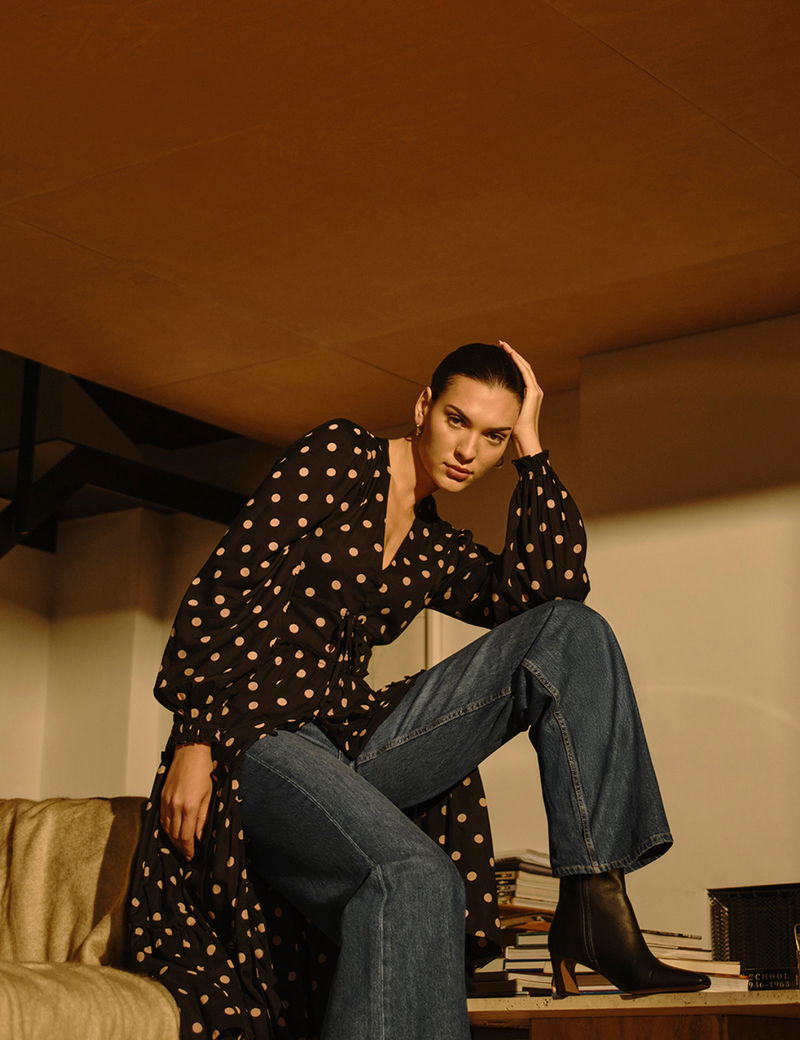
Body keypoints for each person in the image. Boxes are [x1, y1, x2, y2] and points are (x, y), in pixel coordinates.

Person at [127, 341, 710, 1040]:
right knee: (421, 878)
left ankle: (595, 900)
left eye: (492, 436)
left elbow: (552, 591)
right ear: (423, 407)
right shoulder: (340, 456)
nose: (468, 450)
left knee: (571, 633)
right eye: (458, 420)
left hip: (346, 736)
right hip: (254, 731)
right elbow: (228, 581)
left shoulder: (434, 546)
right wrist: (195, 736)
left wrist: (533, 449)